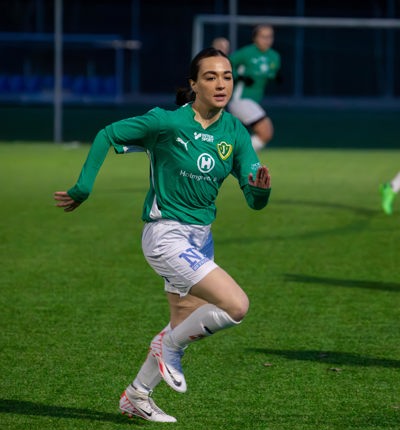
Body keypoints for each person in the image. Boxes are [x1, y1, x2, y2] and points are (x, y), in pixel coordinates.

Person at [54, 47, 271, 423]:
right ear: (194, 84)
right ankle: (166, 347)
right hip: (166, 235)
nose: (221, 84)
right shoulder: (166, 122)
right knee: (235, 306)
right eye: (210, 77)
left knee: (183, 323)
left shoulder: (235, 131)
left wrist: (261, 189)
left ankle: (137, 395)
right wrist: (83, 187)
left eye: (227, 76)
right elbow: (108, 134)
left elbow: (254, 200)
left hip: (201, 238)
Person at [229, 24, 281, 151]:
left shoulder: (274, 56)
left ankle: (233, 155)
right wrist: (239, 77)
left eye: (270, 37)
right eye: (263, 37)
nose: (267, 40)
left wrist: (276, 78)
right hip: (240, 100)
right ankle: (238, 155)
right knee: (265, 132)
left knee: (236, 137)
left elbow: (271, 74)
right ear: (255, 38)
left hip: (254, 102)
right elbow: (226, 64)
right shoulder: (246, 53)